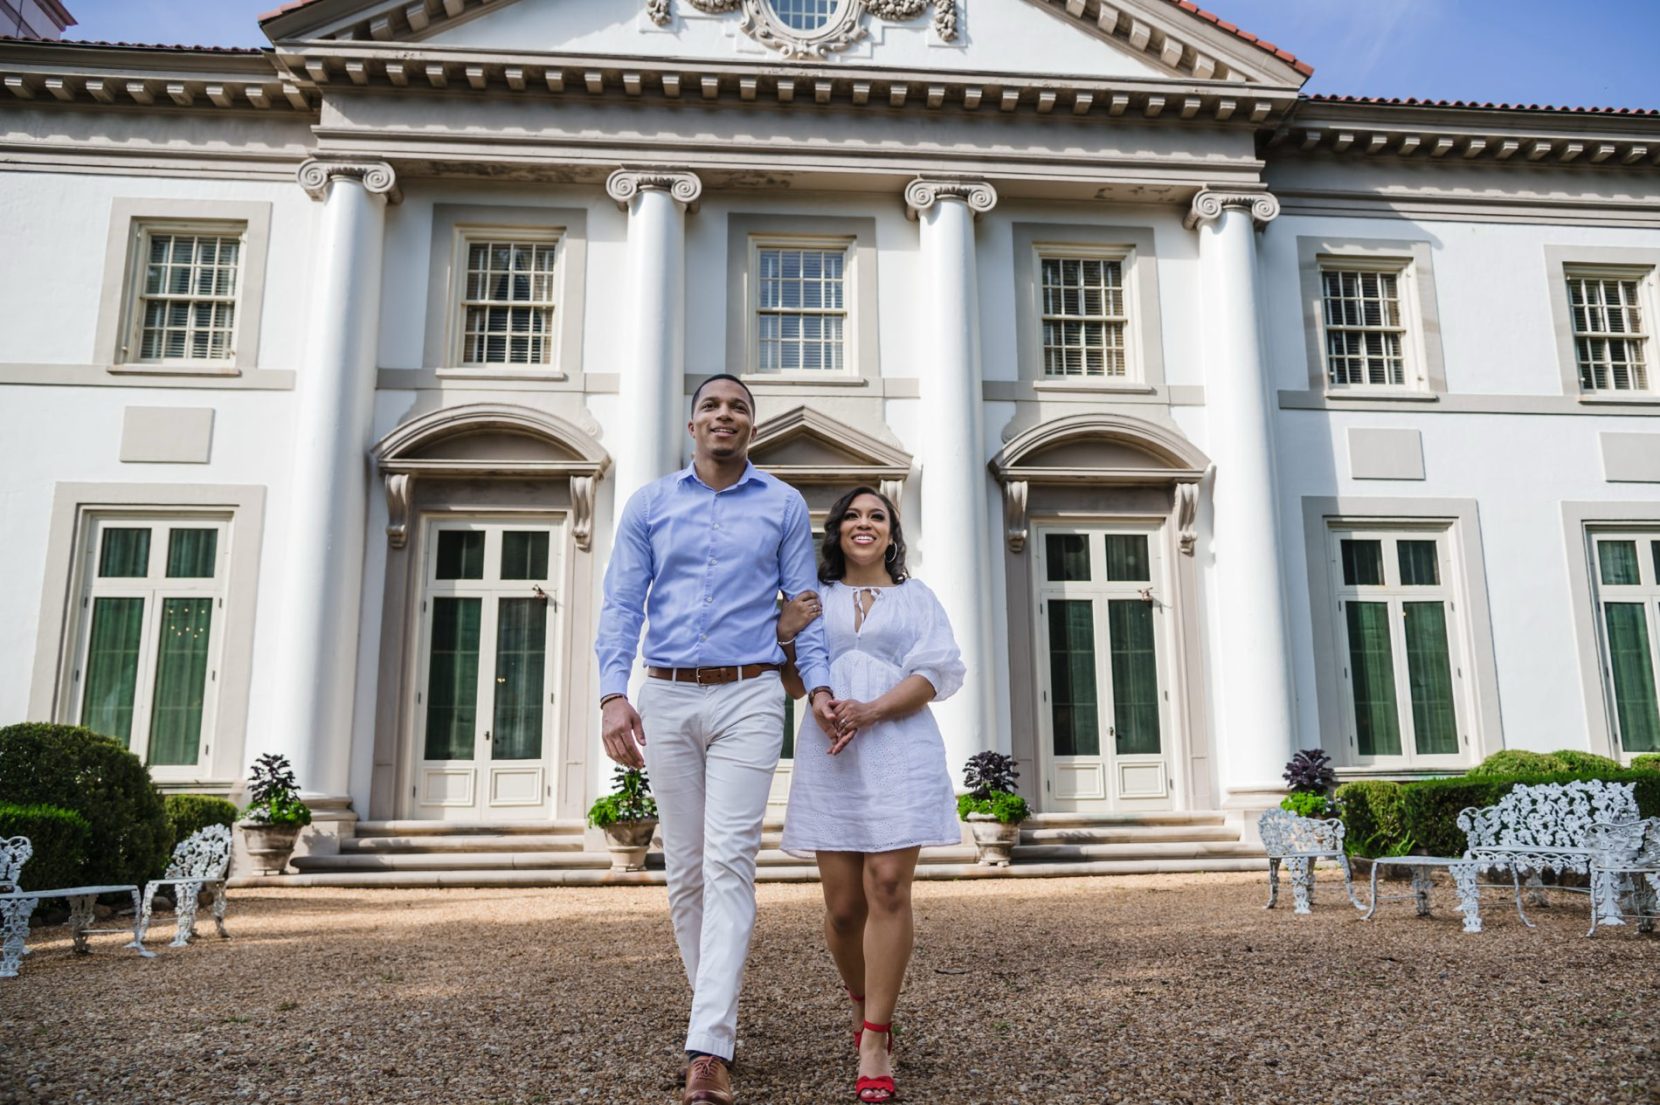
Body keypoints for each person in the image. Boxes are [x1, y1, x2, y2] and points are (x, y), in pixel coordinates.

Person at [595, 374, 837, 1105]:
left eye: (737, 406)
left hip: (751, 693)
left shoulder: (784, 504)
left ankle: (707, 1049)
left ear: (750, 428)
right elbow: (619, 603)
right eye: (710, 405)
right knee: (686, 868)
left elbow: (807, 608)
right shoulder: (649, 503)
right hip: (665, 692)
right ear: (693, 424)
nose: (723, 414)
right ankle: (717, 1019)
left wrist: (817, 684)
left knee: (731, 860)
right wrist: (613, 693)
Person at [775, 486, 965, 1105]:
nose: (864, 524)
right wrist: (798, 659)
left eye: (876, 516)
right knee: (842, 909)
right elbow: (791, 678)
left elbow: (935, 672)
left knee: (887, 885)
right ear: (835, 532)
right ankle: (861, 1001)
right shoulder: (814, 599)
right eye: (852, 516)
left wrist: (873, 710)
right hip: (831, 755)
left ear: (891, 533)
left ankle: (876, 1038)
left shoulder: (917, 598)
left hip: (899, 750)